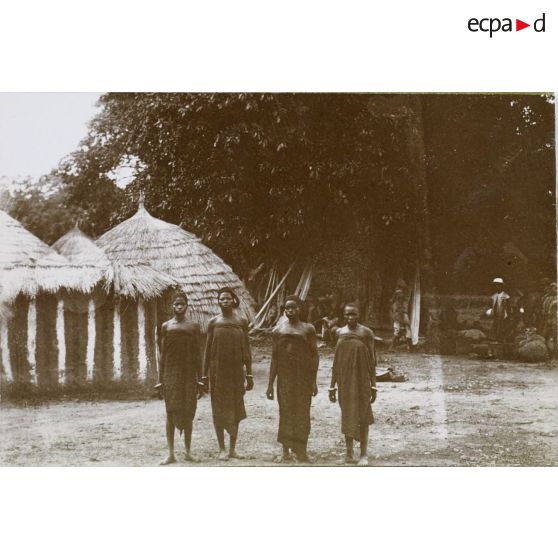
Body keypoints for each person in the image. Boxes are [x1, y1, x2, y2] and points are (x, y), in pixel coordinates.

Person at [266, 295, 319, 463]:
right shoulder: (278, 330)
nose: (290, 311)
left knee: (303, 413)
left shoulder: (308, 329)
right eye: (287, 308)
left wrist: (313, 380)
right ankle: (285, 451)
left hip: (302, 378)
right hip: (285, 379)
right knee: (286, 412)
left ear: (300, 309)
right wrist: (270, 385)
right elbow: (274, 358)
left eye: (293, 307)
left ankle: (301, 451)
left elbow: (314, 355)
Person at [203, 287, 253, 460]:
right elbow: (207, 350)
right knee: (218, 409)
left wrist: (249, 374)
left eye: (228, 299)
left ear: (234, 300)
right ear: (218, 302)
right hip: (217, 372)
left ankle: (232, 448)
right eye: (222, 299)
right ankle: (221, 448)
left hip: (236, 372)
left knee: (235, 407)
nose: (225, 301)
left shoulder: (242, 321)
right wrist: (204, 376)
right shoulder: (213, 322)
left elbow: (246, 349)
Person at [329, 303, 376, 466]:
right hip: (345, 381)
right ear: (344, 315)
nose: (350, 318)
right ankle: (349, 453)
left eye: (353, 314)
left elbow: (372, 360)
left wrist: (374, 385)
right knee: (347, 414)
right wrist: (332, 385)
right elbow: (336, 361)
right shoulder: (339, 332)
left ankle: (363, 454)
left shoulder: (366, 332)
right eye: (347, 314)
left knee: (363, 414)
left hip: (362, 380)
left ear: (359, 315)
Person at [158, 292, 203, 465]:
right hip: (171, 374)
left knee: (188, 412)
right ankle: (170, 453)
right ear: (172, 306)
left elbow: (198, 354)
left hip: (188, 374)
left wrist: (200, 378)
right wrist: (161, 379)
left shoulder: (193, 326)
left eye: (182, 304)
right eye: (176, 304)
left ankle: (188, 451)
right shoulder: (166, 326)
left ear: (187, 306)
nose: (179, 307)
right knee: (170, 412)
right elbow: (163, 355)